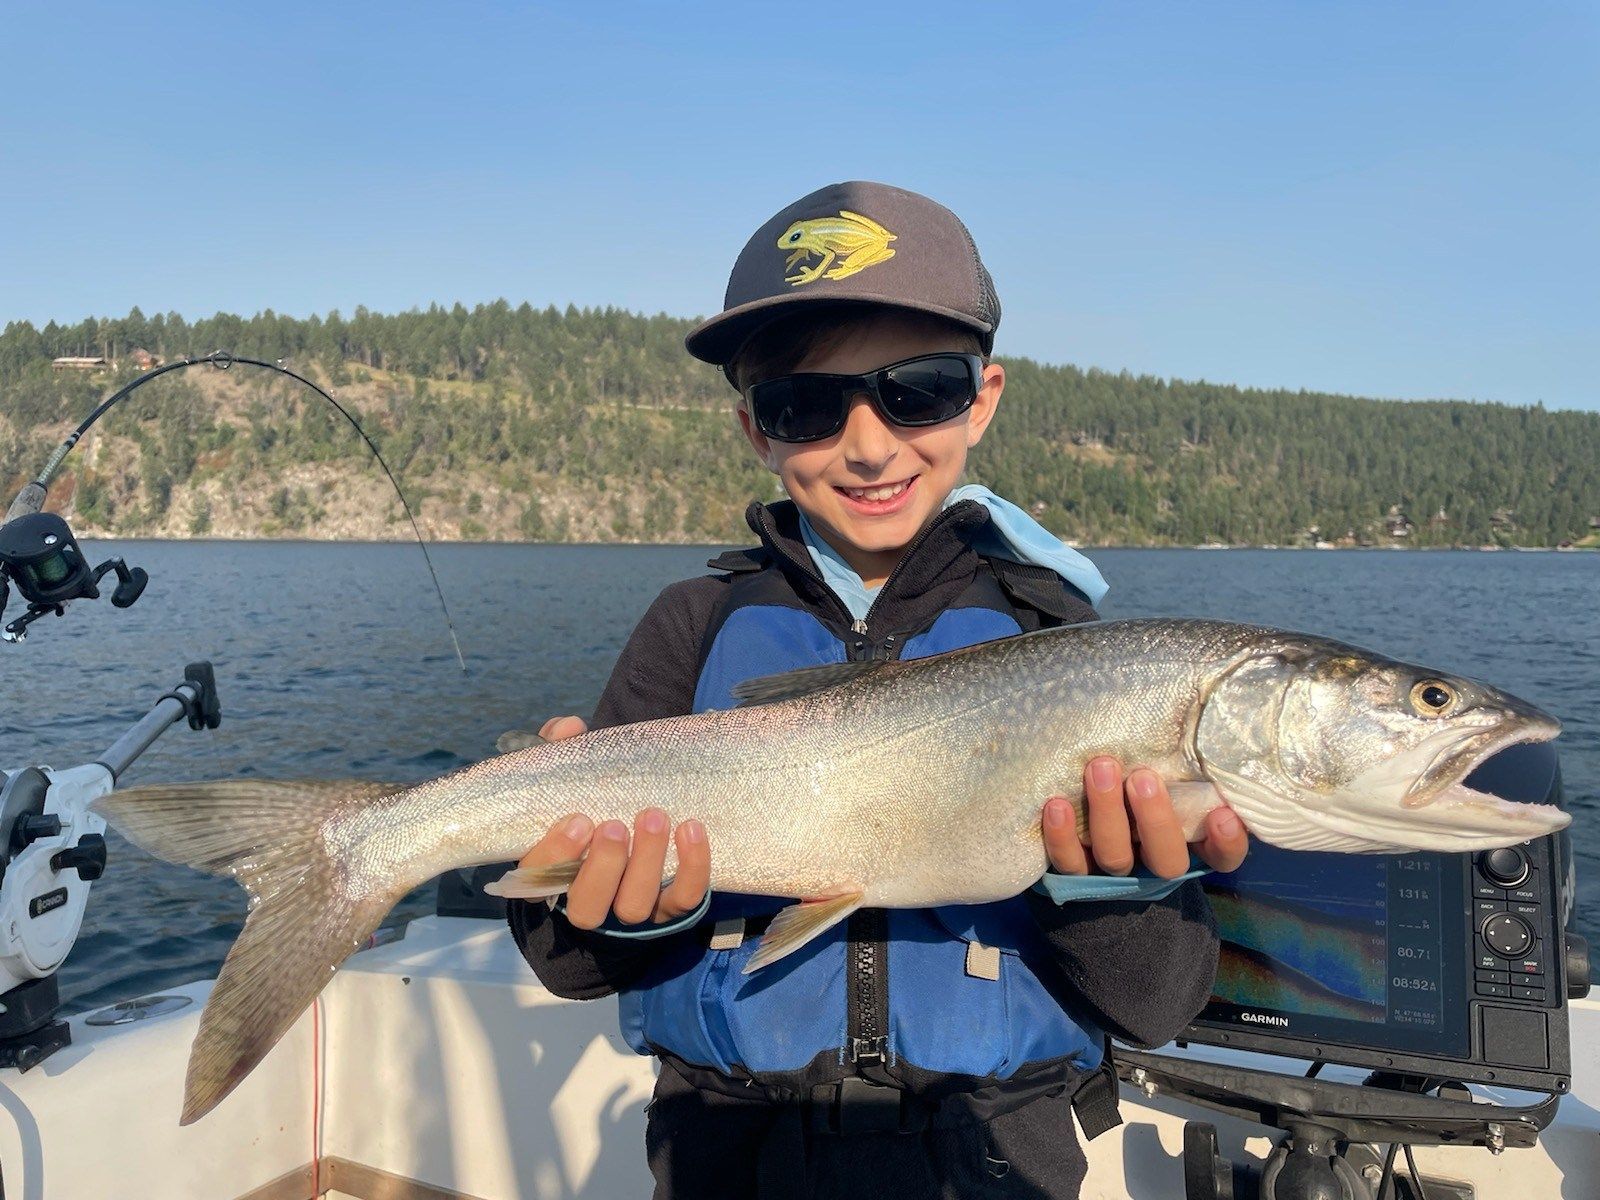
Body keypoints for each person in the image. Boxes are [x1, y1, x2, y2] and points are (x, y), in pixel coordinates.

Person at [505, 181, 1249, 1199]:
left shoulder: (1066, 646)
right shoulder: (692, 625)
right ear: (754, 430)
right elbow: (572, 968)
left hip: (995, 1156)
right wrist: (620, 914)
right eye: (803, 404)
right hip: (727, 1156)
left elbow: (1153, 1006)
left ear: (983, 398)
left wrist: (1112, 892)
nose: (865, 443)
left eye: (919, 389)